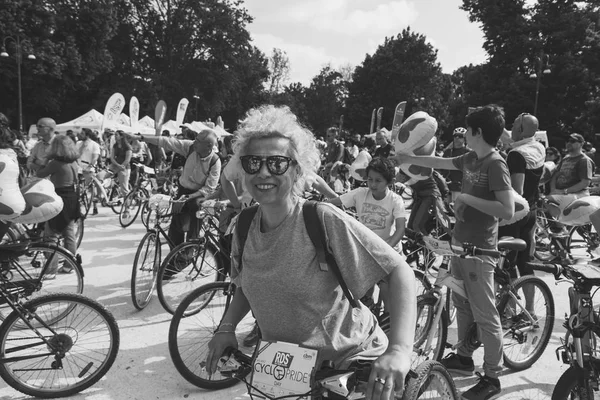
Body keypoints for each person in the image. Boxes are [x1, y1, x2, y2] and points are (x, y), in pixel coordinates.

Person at [206, 105, 416, 399]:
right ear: (242, 169)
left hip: (348, 365)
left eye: (277, 163)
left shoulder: (321, 218)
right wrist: (226, 327)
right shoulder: (243, 226)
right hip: (285, 371)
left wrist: (399, 350)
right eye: (253, 162)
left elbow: (398, 271)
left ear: (297, 170)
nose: (264, 172)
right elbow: (245, 283)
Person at [394, 104, 514, 400]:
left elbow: (507, 210)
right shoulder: (472, 158)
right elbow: (444, 162)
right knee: (460, 304)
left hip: (480, 251)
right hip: (460, 244)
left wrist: (469, 200)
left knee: (485, 316)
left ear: (478, 132)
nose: (463, 135)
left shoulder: (495, 164)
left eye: (468, 130)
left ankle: (492, 377)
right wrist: (410, 157)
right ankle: (463, 357)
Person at [129, 128, 221, 246]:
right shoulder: (190, 147)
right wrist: (141, 137)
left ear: (208, 146)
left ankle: (191, 247)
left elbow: (209, 188)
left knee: (196, 210)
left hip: (198, 194)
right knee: (176, 225)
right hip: (182, 189)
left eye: (198, 141)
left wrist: (189, 196)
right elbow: (166, 141)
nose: (194, 142)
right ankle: (174, 258)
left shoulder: (215, 161)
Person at [498, 113, 545, 314]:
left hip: (517, 213)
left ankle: (508, 311)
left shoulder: (516, 155)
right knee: (525, 264)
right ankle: (530, 310)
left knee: (506, 264)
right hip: (532, 211)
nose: (511, 128)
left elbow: (517, 190)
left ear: (520, 130)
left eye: (514, 124)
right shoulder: (538, 148)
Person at [329, 157, 406, 249]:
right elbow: (331, 203)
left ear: (390, 182)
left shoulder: (396, 200)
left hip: (389, 250)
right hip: (366, 248)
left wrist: (386, 249)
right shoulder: (359, 193)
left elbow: (400, 229)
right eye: (370, 179)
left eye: (378, 180)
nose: (373, 184)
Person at [36, 135, 81, 277]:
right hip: (72, 197)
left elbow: (40, 174)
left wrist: (43, 161)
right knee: (69, 234)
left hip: (60, 197)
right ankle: (69, 266)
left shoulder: (55, 163)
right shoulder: (73, 161)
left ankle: (50, 271)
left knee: (51, 235)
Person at [547, 133, 594, 219]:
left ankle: (560, 228)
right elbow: (555, 176)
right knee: (540, 201)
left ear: (581, 144)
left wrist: (564, 191)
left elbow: (585, 182)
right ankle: (555, 226)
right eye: (567, 141)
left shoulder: (584, 160)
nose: (568, 143)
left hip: (578, 194)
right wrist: (553, 190)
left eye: (572, 141)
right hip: (562, 193)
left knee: (547, 201)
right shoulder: (565, 159)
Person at [77, 128, 102, 215]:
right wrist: (82, 147)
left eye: (82, 133)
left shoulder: (94, 145)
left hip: (89, 168)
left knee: (90, 188)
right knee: (77, 188)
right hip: (79, 168)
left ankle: (94, 205)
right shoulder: (78, 143)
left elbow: (95, 157)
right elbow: (76, 155)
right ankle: (78, 206)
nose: (80, 135)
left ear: (87, 135)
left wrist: (90, 166)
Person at [442, 127, 470, 202]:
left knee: (457, 209)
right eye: (455, 136)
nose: (457, 138)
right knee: (445, 209)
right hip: (446, 185)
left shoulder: (468, 152)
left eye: (460, 136)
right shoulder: (448, 152)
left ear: (465, 139)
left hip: (460, 186)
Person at [109, 130, 132, 197]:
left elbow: (127, 159)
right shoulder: (115, 145)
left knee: (124, 188)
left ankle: (127, 204)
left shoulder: (127, 147)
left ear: (121, 136)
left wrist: (121, 166)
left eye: (116, 135)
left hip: (124, 167)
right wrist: (117, 165)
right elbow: (112, 157)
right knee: (101, 176)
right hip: (115, 165)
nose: (115, 136)